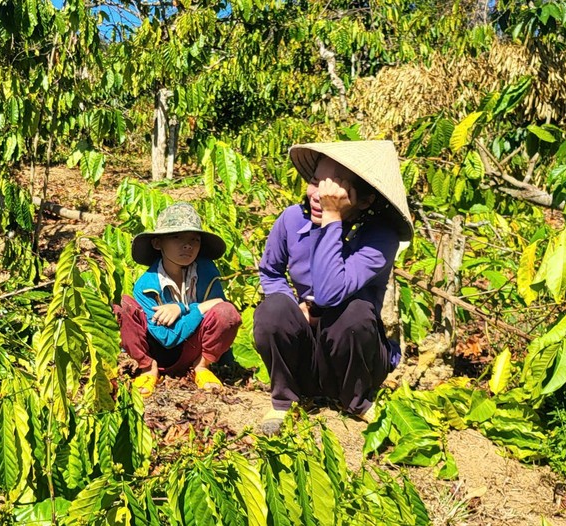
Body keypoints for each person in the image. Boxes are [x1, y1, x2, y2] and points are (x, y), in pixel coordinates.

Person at [253, 141, 413, 434]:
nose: (320, 196)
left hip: (352, 353)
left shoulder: (380, 238)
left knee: (354, 312)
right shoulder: (291, 219)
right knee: (272, 310)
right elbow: (270, 272)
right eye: (316, 183)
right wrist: (293, 307)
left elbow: (329, 293)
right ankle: (284, 399)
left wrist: (331, 217)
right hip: (310, 352)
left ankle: (357, 400)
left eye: (335, 190)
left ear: (365, 201)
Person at [116, 202, 241, 397]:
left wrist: (182, 308)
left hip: (194, 350)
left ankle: (202, 367)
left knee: (226, 311)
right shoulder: (145, 284)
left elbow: (224, 317)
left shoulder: (207, 271)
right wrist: (194, 308)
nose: (187, 245)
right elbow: (166, 338)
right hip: (158, 348)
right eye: (176, 237)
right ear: (158, 243)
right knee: (123, 306)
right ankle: (148, 368)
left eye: (194, 239)